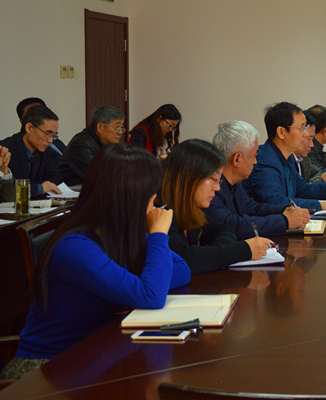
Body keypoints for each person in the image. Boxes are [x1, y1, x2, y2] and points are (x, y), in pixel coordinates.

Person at [0, 144, 191, 380]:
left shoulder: (119, 232)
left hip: (97, 354)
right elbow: (152, 295)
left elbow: (182, 270)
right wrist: (158, 235)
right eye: (151, 199)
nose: (154, 208)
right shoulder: (75, 247)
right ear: (131, 199)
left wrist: (144, 279)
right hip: (48, 369)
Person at [162, 139, 273, 274]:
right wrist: (244, 250)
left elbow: (224, 230)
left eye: (219, 181)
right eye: (213, 179)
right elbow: (184, 259)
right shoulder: (161, 212)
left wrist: (215, 256)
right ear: (189, 177)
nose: (217, 188)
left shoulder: (191, 209)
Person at [244, 102, 326, 212]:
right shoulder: (265, 161)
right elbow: (276, 202)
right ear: (281, 132)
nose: (305, 134)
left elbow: (305, 190)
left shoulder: (285, 158)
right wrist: (322, 206)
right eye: (302, 128)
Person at [207, 121, 310, 239]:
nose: (255, 162)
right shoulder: (212, 188)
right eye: (254, 156)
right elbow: (232, 225)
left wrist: (284, 210)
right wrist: (284, 221)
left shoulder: (235, 183)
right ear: (237, 159)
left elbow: (252, 208)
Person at [0, 106, 62, 196]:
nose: (50, 140)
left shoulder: (44, 150)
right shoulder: (5, 150)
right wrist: (39, 188)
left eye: (53, 136)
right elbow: (10, 189)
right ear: (29, 128)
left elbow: (57, 178)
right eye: (47, 134)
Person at [58, 106, 126, 186]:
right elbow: (100, 174)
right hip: (75, 190)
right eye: (117, 127)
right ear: (100, 127)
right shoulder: (81, 144)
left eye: (121, 128)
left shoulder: (109, 144)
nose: (120, 132)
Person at [294, 111, 326, 184]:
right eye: (308, 139)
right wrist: (321, 179)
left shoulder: (304, 160)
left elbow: (319, 173)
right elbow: (298, 189)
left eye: (312, 139)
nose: (311, 145)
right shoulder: (283, 161)